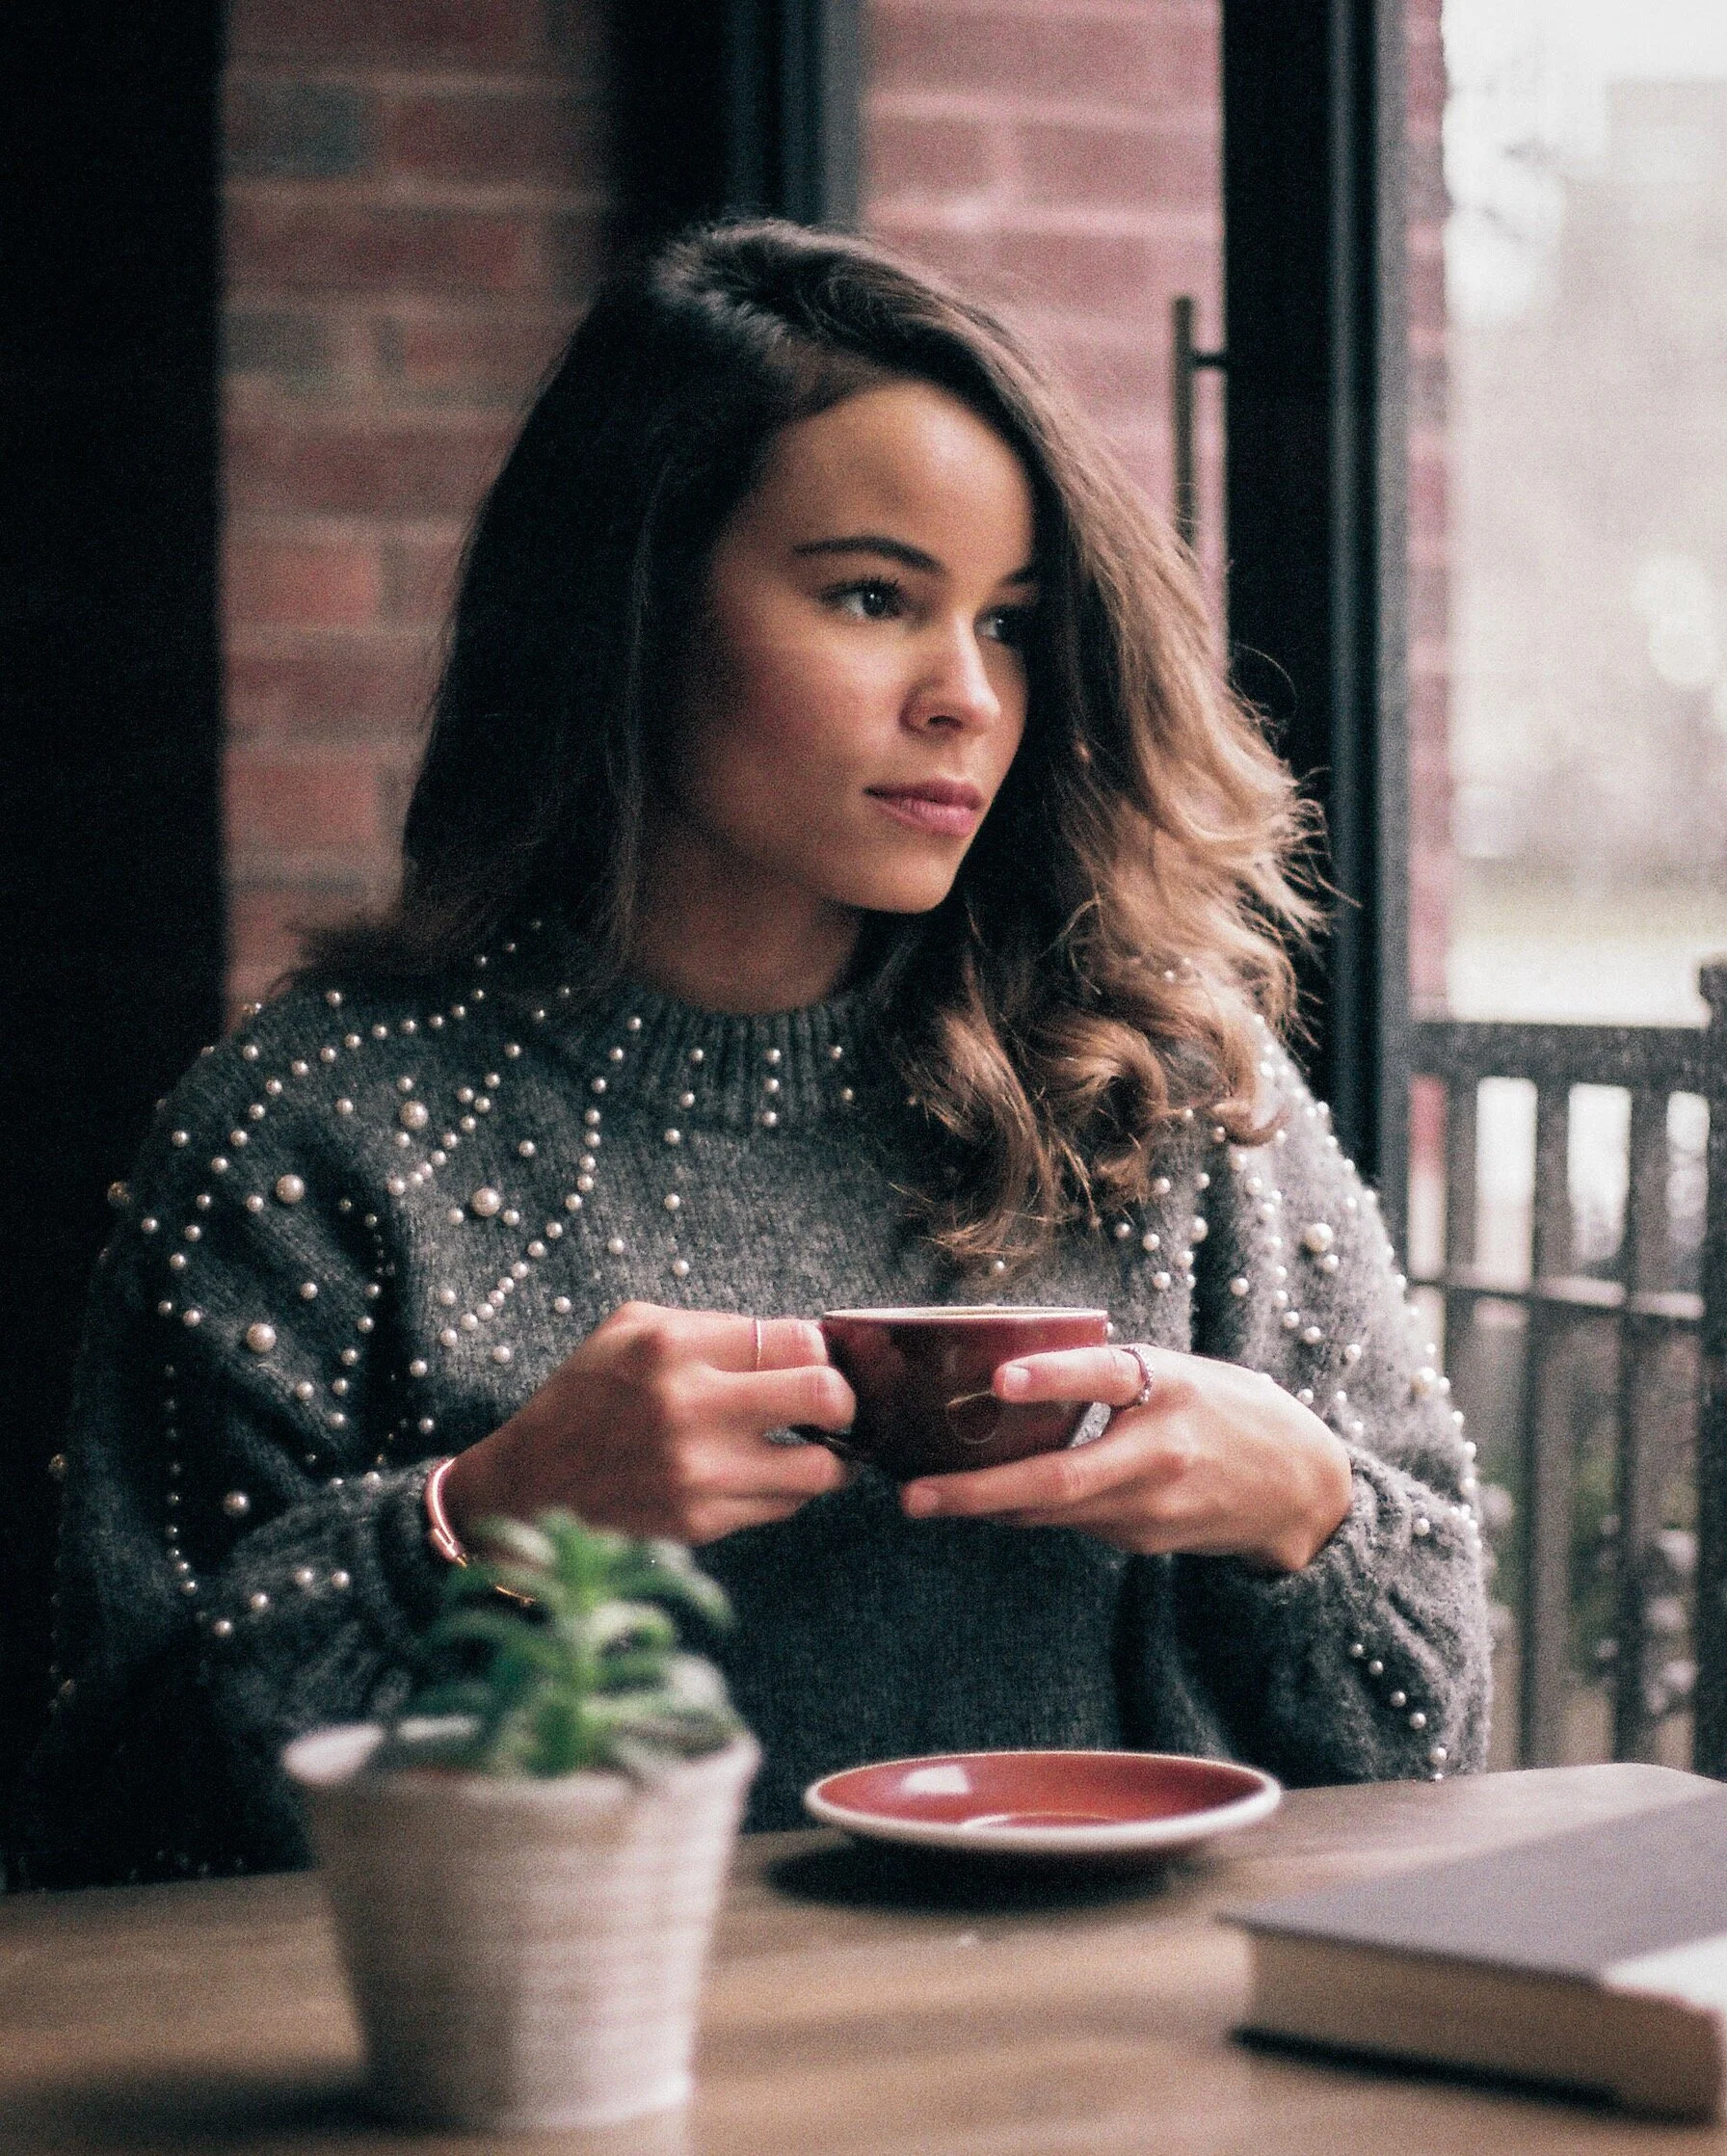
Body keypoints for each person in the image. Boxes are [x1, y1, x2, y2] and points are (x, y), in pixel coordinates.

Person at [19, 222, 1490, 1884]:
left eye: (1012, 623)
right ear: (629, 603)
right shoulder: (317, 1134)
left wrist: (1302, 1512)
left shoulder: (1165, 1102)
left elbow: (1435, 1744)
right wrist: (476, 1527)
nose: (968, 699)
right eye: (875, 596)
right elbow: (114, 1833)